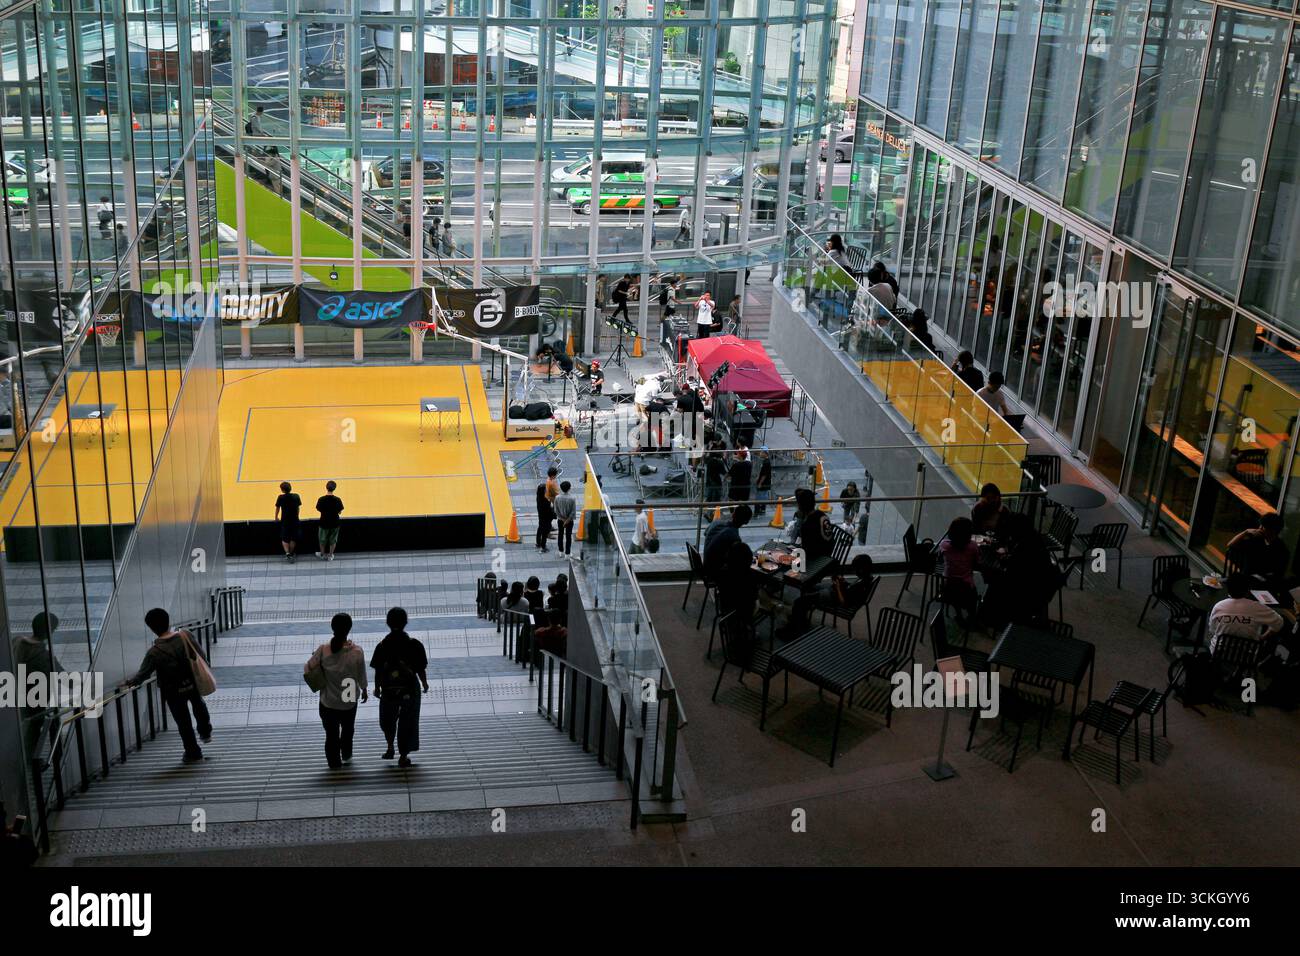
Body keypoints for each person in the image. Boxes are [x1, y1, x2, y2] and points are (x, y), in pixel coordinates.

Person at [123, 609, 212, 764]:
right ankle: (205, 731)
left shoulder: (154, 652)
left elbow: (143, 675)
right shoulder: (185, 635)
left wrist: (130, 682)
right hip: (192, 681)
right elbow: (200, 654)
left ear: (151, 628)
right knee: (198, 704)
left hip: (172, 691)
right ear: (168, 621)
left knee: (183, 722)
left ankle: (193, 753)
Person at [369, 607, 428, 767]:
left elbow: (378, 670)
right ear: (405, 622)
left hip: (389, 690)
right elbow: (421, 668)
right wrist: (424, 683)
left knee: (388, 720)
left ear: (388, 623)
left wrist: (377, 688)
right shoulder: (414, 644)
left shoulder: (382, 646)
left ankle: (390, 747)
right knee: (408, 721)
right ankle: (403, 755)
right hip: (410, 689)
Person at [308, 613, 368, 769]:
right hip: (348, 700)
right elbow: (361, 674)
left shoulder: (323, 650)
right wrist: (364, 689)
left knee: (331, 734)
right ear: (349, 628)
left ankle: (334, 763)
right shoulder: (357, 651)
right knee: (348, 729)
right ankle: (346, 752)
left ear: (332, 628)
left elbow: (309, 667)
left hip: (328, 701)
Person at [13, 613, 63, 763]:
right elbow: (66, 678)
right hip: (33, 703)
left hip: (11, 697)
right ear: (49, 633)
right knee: (33, 729)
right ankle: (31, 761)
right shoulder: (43, 657)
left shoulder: (16, 642)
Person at [785, 554, 875, 637]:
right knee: (809, 589)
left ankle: (795, 628)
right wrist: (844, 583)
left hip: (833, 598)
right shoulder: (866, 579)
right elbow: (851, 591)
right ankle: (801, 619)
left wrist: (838, 587)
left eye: (855, 569)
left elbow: (844, 602)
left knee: (800, 601)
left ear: (861, 569)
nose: (854, 571)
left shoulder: (861, 585)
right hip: (836, 592)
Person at [1207, 574, 1285, 655]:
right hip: (1246, 655)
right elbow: (1279, 622)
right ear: (1248, 590)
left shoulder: (1218, 606)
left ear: (1228, 589)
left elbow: (1212, 629)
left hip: (1218, 652)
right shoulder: (1257, 607)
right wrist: (1263, 637)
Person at [1227, 512, 1290, 582]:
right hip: (1245, 579)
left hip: (1263, 583)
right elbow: (1231, 545)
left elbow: (1278, 575)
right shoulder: (1256, 539)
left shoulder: (1281, 550)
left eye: (1263, 527)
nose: (1260, 528)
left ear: (1273, 530)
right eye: (1261, 525)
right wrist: (1245, 532)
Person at [938, 516, 980, 620]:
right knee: (972, 595)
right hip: (967, 589)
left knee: (955, 594)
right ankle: (971, 615)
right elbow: (976, 563)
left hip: (948, 587)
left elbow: (940, 560)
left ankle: (959, 614)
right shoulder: (973, 546)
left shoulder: (944, 545)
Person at [704, 504, 753, 579]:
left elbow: (705, 533)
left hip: (706, 563)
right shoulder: (734, 537)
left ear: (733, 514)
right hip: (713, 572)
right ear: (746, 522)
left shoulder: (716, 522)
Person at [793, 487, 834, 562]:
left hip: (817, 562)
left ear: (801, 507)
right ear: (814, 503)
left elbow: (806, 552)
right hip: (828, 555)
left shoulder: (807, 526)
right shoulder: (823, 515)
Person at [315, 480, 344, 560]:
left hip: (324, 522)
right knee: (333, 540)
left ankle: (322, 554)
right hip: (335, 523)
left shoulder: (321, 499)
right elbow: (340, 511)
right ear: (334, 488)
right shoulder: (338, 500)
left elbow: (319, 509)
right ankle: (330, 555)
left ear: (326, 487)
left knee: (322, 540)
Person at [275, 480, 301, 562]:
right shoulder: (296, 496)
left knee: (284, 537)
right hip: (295, 520)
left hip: (285, 520)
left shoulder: (281, 497)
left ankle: (287, 553)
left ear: (282, 490)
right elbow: (298, 507)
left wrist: (276, 517)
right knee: (293, 538)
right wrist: (297, 516)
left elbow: (277, 508)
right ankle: (291, 553)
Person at [554, 479, 577, 555]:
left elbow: (556, 510)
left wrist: (563, 519)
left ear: (561, 488)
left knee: (560, 535)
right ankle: (567, 553)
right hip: (569, 521)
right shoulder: (572, 498)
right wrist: (567, 520)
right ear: (569, 488)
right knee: (568, 536)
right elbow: (573, 511)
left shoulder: (557, 498)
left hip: (560, 520)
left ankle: (560, 551)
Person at [535, 480, 554, 553]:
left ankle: (538, 543)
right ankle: (543, 546)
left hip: (541, 516)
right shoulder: (545, 500)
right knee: (545, 532)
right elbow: (549, 510)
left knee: (540, 529)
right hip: (546, 518)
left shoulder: (539, 497)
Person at [754, 446, 773, 515]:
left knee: (759, 497)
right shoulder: (765, 461)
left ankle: (757, 512)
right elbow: (763, 472)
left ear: (765, 453)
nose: (760, 453)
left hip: (764, 483)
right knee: (763, 496)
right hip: (765, 482)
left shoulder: (766, 463)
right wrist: (758, 477)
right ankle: (762, 510)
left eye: (761, 452)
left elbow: (764, 475)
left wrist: (760, 483)